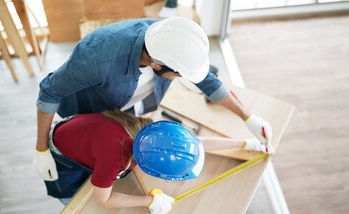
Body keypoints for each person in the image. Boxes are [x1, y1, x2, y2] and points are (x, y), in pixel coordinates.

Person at [34, 16, 272, 182]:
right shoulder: (96, 56)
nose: (181, 79)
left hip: (123, 110)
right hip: (88, 114)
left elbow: (208, 82)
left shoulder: (168, 39)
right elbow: (49, 91)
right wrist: (41, 149)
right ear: (156, 64)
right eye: (178, 75)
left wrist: (248, 118)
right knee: (85, 159)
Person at [45, 110, 271, 214]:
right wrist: (148, 200)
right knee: (74, 203)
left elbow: (197, 143)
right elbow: (103, 199)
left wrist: (245, 143)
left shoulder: (147, 129)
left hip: (80, 133)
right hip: (60, 155)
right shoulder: (115, 161)